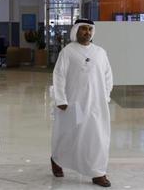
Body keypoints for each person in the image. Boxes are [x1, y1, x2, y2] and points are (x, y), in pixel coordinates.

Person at [51, 18, 113, 187]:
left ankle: (98, 172)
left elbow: (108, 76)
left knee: (98, 137)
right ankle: (57, 159)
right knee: (70, 135)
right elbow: (59, 76)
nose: (87, 32)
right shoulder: (68, 51)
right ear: (76, 31)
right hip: (74, 103)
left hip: (97, 104)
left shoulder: (100, 52)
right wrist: (61, 99)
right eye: (83, 29)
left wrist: (105, 96)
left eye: (89, 29)